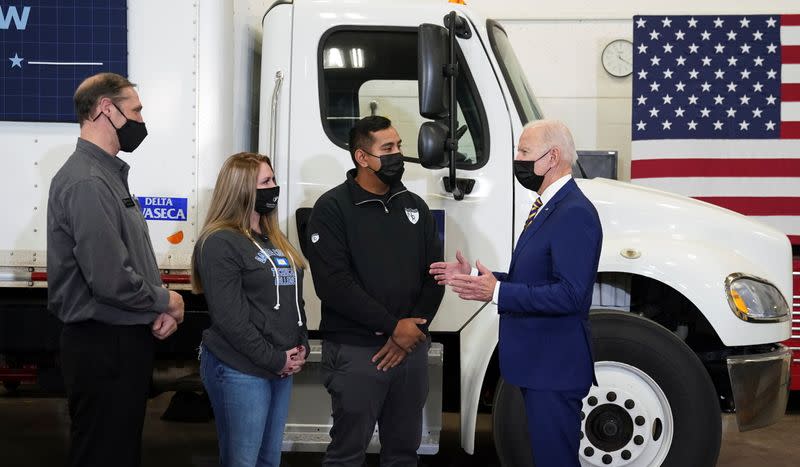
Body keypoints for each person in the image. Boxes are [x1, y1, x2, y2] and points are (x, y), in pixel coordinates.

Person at [430, 120, 602, 467]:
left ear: (552, 157)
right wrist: (480, 278)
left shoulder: (574, 213)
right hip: (539, 365)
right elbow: (537, 278)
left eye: (524, 152)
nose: (517, 159)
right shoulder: (550, 206)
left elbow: (571, 295)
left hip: (553, 367)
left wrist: (499, 293)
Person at [47, 72, 185, 467]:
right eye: (136, 109)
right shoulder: (88, 181)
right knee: (104, 454)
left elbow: (127, 263)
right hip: (104, 346)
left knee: (117, 451)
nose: (141, 120)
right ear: (107, 109)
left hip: (120, 339)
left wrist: (152, 310)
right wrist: (167, 300)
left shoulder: (107, 175)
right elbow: (110, 278)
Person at [306, 116, 444, 466]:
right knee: (347, 455)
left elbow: (435, 276)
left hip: (410, 350)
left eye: (398, 146)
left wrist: (412, 331)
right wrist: (393, 327)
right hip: (357, 351)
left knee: (403, 454)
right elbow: (334, 285)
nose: (397, 154)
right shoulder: (332, 208)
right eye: (388, 148)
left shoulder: (415, 206)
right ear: (361, 157)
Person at [192, 152, 309, 467]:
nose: (274, 188)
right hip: (240, 368)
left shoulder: (274, 238)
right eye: (266, 182)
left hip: (279, 365)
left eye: (273, 180)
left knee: (268, 460)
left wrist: (301, 346)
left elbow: (293, 301)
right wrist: (275, 358)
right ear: (242, 189)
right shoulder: (219, 242)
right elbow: (230, 319)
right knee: (243, 462)